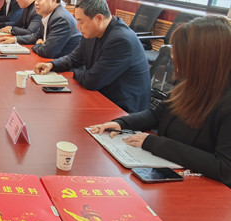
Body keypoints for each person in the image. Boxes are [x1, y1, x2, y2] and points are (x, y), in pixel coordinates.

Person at [90, 16, 231, 187]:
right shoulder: (190, 83)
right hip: (167, 175)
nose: (173, 55)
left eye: (181, 51)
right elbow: (157, 115)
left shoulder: (226, 102)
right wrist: (122, 123)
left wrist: (154, 143)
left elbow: (224, 168)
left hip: (201, 189)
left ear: (204, 59)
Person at [34, 0, 150, 113]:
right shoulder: (94, 31)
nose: (78, 27)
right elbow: (75, 58)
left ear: (99, 18)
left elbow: (92, 81)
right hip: (101, 96)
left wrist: (74, 72)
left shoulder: (120, 40)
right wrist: (52, 65)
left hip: (122, 108)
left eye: (81, 22)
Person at [0, 0, 81, 58]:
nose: (36, 3)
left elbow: (47, 52)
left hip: (65, 67)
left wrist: (38, 44)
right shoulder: (48, 14)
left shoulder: (60, 19)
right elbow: (36, 36)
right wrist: (15, 39)